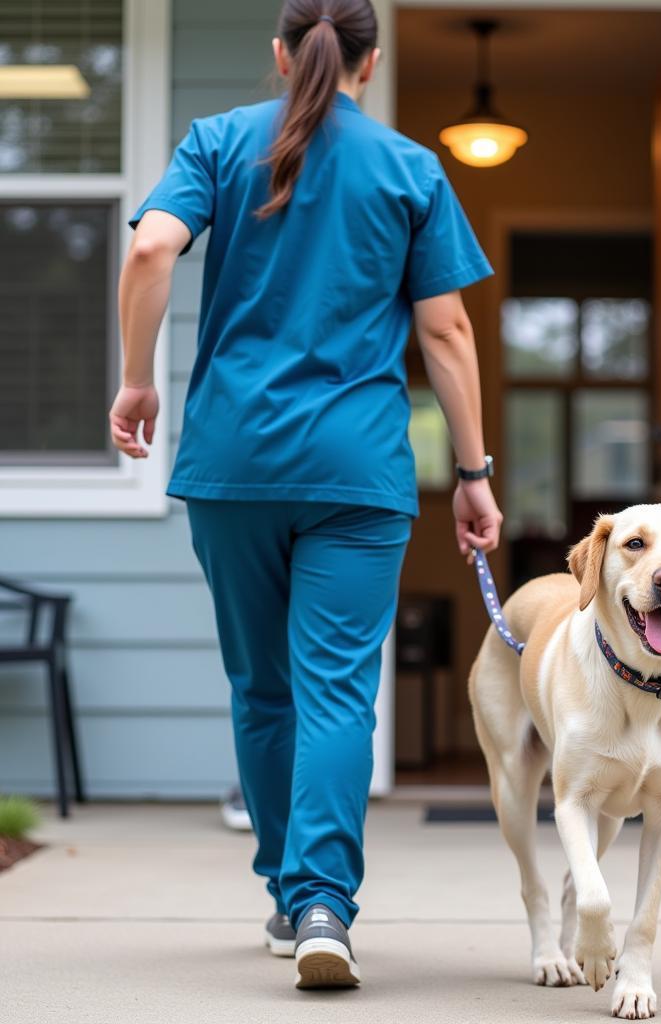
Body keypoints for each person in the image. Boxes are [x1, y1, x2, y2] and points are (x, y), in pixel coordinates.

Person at [110, 0, 502, 990]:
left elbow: (151, 249)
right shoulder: (408, 167)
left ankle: (288, 898)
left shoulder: (217, 142)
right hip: (357, 470)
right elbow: (448, 335)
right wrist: (473, 472)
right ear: (367, 66)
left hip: (234, 460)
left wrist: (136, 377)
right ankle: (325, 900)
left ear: (281, 54)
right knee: (336, 689)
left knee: (262, 685)